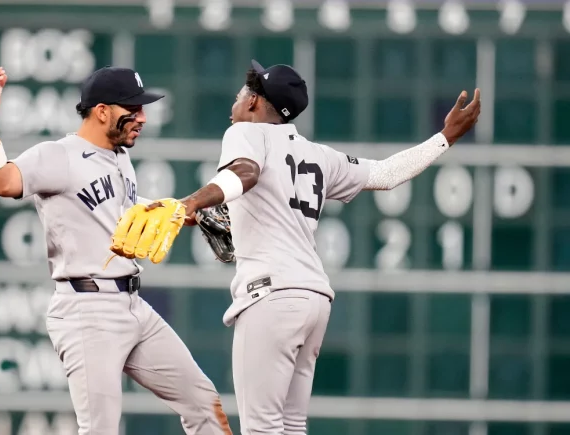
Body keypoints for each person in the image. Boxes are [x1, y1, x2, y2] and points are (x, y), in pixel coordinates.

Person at [177, 59, 481, 435]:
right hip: (314, 300)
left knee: (262, 427)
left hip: (271, 296)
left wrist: (191, 202)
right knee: (292, 426)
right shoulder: (320, 156)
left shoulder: (245, 133)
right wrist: (445, 137)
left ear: (254, 102)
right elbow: (387, 174)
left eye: (242, 94)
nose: (235, 102)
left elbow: (246, 173)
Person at [0, 66, 232, 435]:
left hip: (132, 305)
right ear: (101, 111)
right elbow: (0, 182)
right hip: (86, 309)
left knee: (203, 403)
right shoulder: (58, 155)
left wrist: (178, 211)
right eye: (133, 108)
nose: (142, 117)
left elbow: (117, 208)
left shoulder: (118, 156)